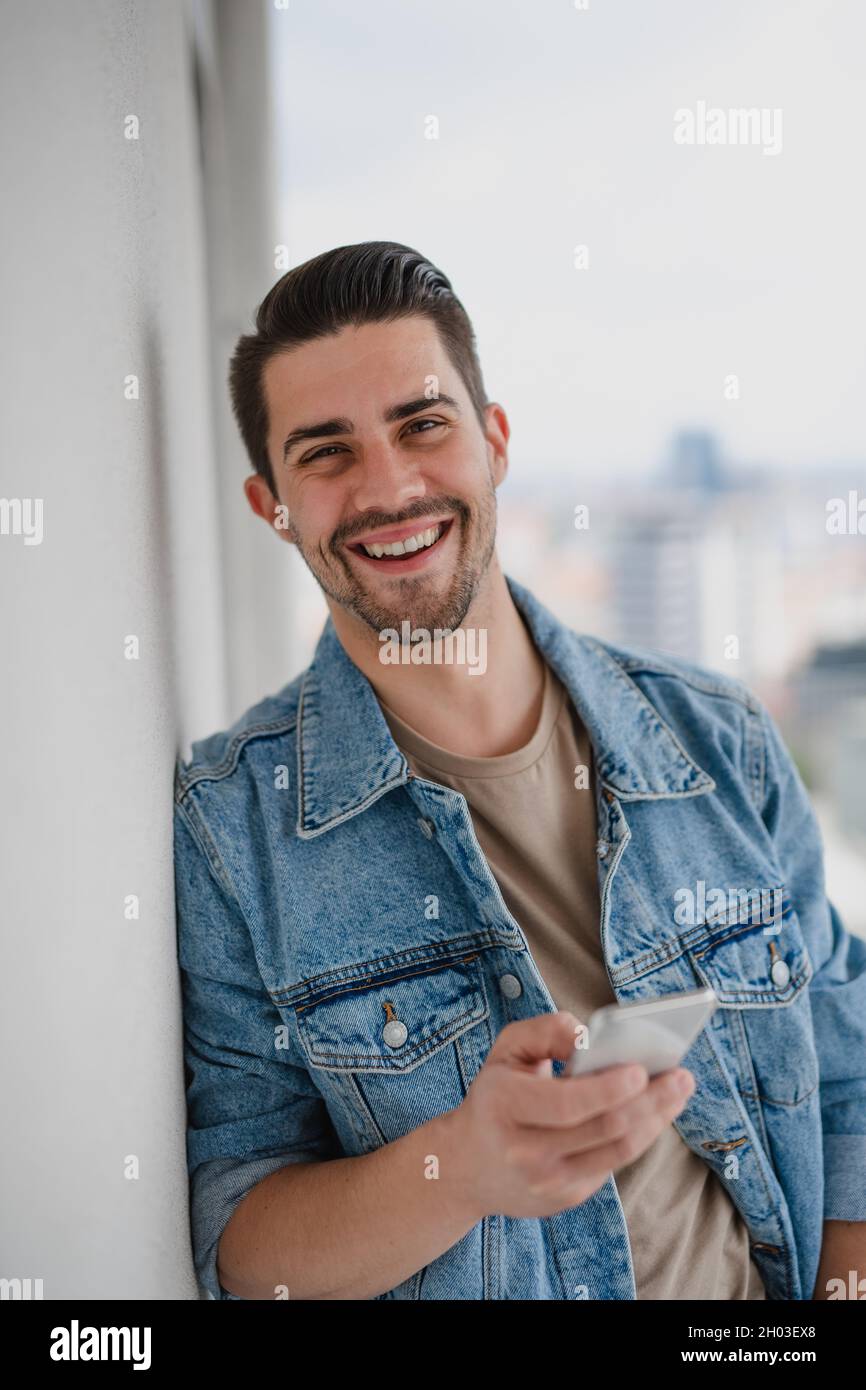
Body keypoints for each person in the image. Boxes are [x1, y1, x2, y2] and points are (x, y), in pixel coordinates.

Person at [174, 241, 866, 1301]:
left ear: (493, 441)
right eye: (325, 454)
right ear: (271, 503)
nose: (390, 487)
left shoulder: (718, 734)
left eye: (422, 425)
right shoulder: (230, 831)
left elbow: (846, 1070)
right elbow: (240, 1241)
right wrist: (458, 1168)